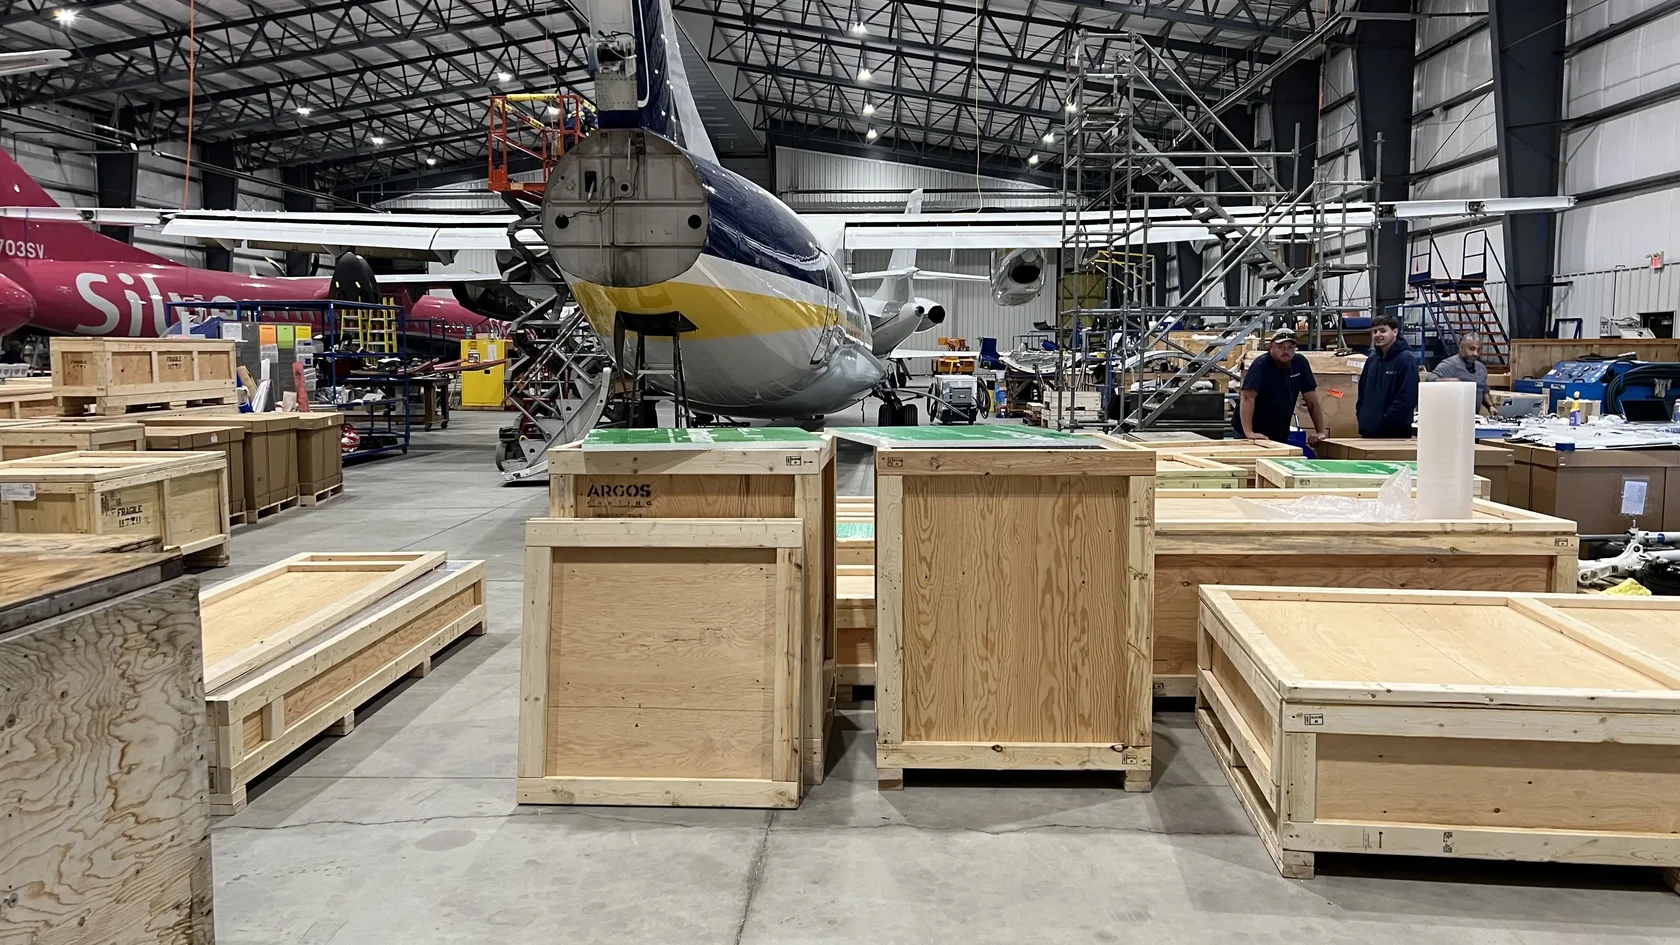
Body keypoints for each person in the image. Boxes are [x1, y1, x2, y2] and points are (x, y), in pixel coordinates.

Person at [1233, 328, 1330, 445]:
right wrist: (1249, 432)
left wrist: (1320, 431)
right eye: (1281, 347)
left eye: (1290, 347)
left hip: (1279, 431)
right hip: (1251, 431)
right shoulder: (1260, 365)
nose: (1286, 351)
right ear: (1271, 347)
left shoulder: (1300, 363)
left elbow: (1311, 400)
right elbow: (1247, 397)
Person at [1356, 313, 1420, 438]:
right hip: (1368, 431)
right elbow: (1362, 392)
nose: (1378, 335)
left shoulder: (1406, 360)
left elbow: (1407, 398)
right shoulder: (1372, 360)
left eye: (1383, 331)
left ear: (1395, 332)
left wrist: (1386, 423)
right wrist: (1362, 417)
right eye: (1374, 332)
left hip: (1394, 435)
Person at [1427, 333, 1490, 414]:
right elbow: (1429, 380)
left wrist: (1490, 406)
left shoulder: (1481, 368)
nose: (1475, 353)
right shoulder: (1450, 364)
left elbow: (1484, 390)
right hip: (1453, 418)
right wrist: (1449, 382)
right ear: (1461, 348)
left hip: (1474, 419)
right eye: (1471, 349)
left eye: (1479, 350)